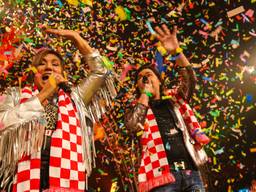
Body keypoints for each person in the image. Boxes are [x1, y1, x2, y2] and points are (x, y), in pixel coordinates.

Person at [0, 29, 116, 192]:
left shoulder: (75, 98)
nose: (49, 67)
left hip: (66, 180)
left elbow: (101, 71)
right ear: (34, 72)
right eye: (42, 63)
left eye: (55, 64)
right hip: (24, 180)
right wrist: (44, 93)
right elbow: (3, 123)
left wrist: (77, 39)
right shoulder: (16, 95)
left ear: (62, 73)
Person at [124, 24, 210, 192]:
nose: (145, 79)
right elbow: (133, 125)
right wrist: (145, 95)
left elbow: (190, 80)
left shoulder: (175, 99)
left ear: (159, 80)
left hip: (191, 172)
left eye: (148, 75)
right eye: (140, 78)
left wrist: (176, 51)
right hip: (160, 178)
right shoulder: (136, 107)